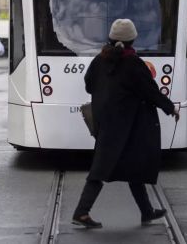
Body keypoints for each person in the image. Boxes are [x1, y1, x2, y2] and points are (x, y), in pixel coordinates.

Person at [72, 19, 180, 229]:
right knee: (111, 168)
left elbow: (88, 85)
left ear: (111, 38)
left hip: (106, 123)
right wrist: (170, 107)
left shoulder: (99, 60)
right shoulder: (133, 63)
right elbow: (150, 91)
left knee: (125, 165)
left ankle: (146, 211)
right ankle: (81, 212)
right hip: (129, 125)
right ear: (132, 40)